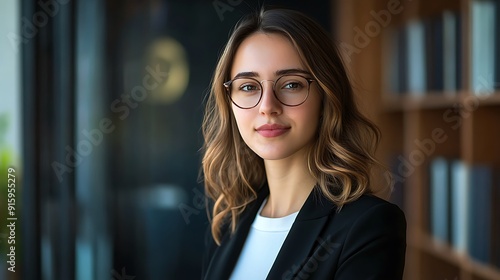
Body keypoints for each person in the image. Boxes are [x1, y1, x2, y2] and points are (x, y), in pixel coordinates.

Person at [200, 7, 406, 280]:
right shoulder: (227, 223)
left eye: (291, 84)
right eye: (248, 87)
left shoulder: (369, 226)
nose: (267, 107)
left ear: (325, 96)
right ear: (229, 102)